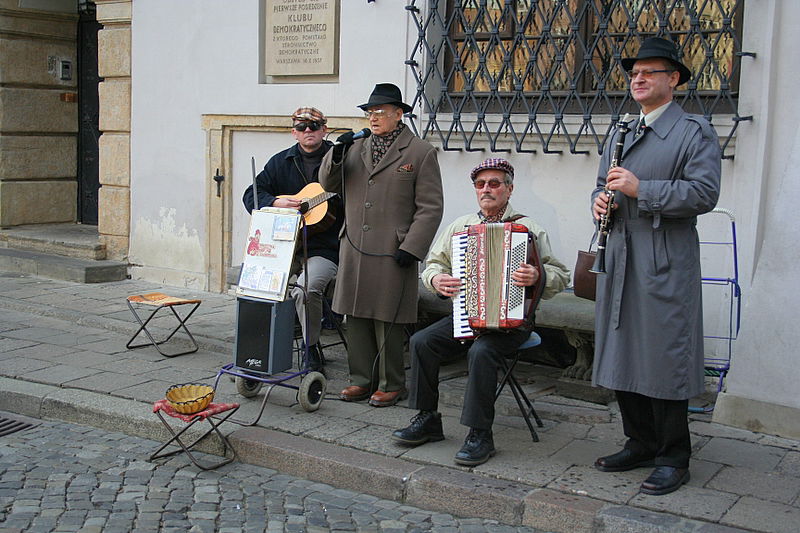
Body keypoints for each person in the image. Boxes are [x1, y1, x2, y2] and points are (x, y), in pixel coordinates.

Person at [591, 37, 721, 495]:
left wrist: (641, 189)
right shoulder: (622, 130)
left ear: (674, 79)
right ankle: (640, 442)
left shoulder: (693, 131)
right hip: (620, 254)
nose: (639, 79)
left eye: (650, 72)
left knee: (664, 355)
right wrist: (599, 201)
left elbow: (704, 193)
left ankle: (673, 456)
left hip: (663, 257)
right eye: (634, 73)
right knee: (621, 349)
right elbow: (602, 185)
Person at [391, 158, 570, 466]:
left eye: (494, 183)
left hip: (514, 323)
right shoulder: (460, 227)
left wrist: (538, 275)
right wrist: (436, 280)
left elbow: (561, 275)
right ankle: (427, 418)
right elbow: (433, 265)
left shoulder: (529, 228)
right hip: (466, 315)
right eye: (480, 184)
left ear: (509, 189)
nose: (486, 189)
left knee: (482, 351)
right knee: (422, 341)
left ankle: (480, 434)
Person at [319, 83, 444, 407]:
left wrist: (412, 247)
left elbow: (430, 207)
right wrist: (336, 153)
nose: (373, 118)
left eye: (380, 112)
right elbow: (327, 184)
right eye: (369, 113)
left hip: (394, 247)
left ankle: (392, 383)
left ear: (398, 114)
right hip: (356, 244)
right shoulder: (356, 147)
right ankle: (361, 379)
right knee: (355, 313)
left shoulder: (419, 152)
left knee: (389, 316)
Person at [242, 107, 342, 374]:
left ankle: (311, 347)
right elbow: (251, 194)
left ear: (324, 129)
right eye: (301, 127)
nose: (308, 131)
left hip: (325, 249)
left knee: (305, 290)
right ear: (293, 132)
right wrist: (275, 202)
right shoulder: (281, 162)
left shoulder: (339, 159)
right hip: (284, 247)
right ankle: (257, 351)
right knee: (256, 285)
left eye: (314, 126)